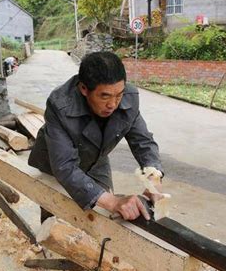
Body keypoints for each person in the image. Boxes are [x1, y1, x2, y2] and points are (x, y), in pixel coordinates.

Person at [28, 51, 165, 222]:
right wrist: (114, 202)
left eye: (119, 95)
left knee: (104, 215)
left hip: (95, 159)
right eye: (105, 96)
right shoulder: (60, 104)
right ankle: (50, 245)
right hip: (55, 162)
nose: (113, 104)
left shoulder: (129, 97)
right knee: (55, 211)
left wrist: (154, 177)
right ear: (84, 88)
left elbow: (143, 141)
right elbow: (64, 166)